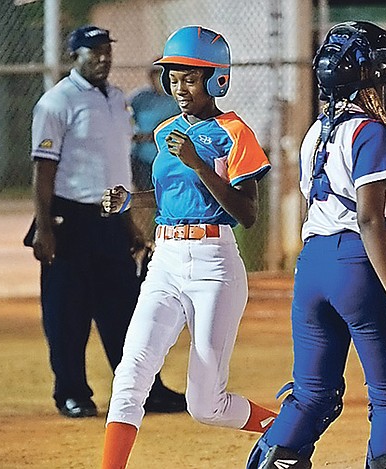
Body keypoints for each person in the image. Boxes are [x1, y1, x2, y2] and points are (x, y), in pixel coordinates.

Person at [247, 22, 386, 469]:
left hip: (313, 266)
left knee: (312, 394)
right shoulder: (372, 133)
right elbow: (369, 219)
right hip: (359, 265)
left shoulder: (317, 133)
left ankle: (275, 460)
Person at [100, 26, 277, 468]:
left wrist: (198, 163)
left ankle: (288, 429)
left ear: (217, 79)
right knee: (130, 375)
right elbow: (170, 197)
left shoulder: (235, 133)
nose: (179, 88)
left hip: (215, 265)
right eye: (174, 77)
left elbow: (247, 213)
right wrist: (130, 201)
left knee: (206, 406)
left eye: (191, 78)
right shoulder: (165, 132)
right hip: (166, 261)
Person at [27, 24, 185, 418]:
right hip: (71, 220)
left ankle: (145, 389)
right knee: (68, 314)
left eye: (106, 50)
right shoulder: (56, 103)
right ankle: (72, 392)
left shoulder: (117, 99)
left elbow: (117, 169)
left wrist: (129, 223)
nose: (102, 57)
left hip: (111, 217)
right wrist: (44, 228)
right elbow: (43, 170)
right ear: (73, 57)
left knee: (126, 311)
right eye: (92, 51)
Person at [129, 61, 180, 192]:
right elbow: (126, 120)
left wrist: (154, 136)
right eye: (155, 75)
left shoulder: (178, 99)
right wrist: (133, 135)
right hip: (142, 159)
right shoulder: (140, 98)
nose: (159, 79)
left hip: (169, 157)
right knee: (143, 197)